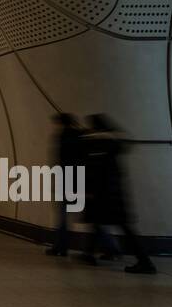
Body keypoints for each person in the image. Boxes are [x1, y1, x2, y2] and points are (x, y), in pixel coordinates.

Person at [80, 114, 155, 274]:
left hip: (103, 194)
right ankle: (88, 254)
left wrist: (88, 189)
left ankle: (145, 262)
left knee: (113, 226)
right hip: (115, 193)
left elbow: (94, 171)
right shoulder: (113, 142)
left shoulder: (97, 144)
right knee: (104, 224)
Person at [45, 112, 83, 257]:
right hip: (77, 180)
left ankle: (60, 246)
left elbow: (61, 161)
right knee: (93, 217)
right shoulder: (79, 136)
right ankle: (112, 248)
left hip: (66, 181)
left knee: (62, 216)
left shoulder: (64, 137)